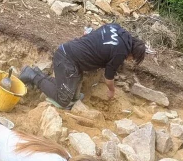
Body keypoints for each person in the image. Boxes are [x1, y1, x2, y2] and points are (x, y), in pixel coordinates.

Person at [18, 23, 147, 108]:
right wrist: (112, 90)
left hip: (68, 52)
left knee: (73, 95)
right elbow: (109, 77)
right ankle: (31, 75)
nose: (129, 60)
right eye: (132, 59)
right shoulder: (121, 51)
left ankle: (37, 73)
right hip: (68, 61)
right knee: (63, 100)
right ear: (132, 54)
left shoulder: (116, 28)